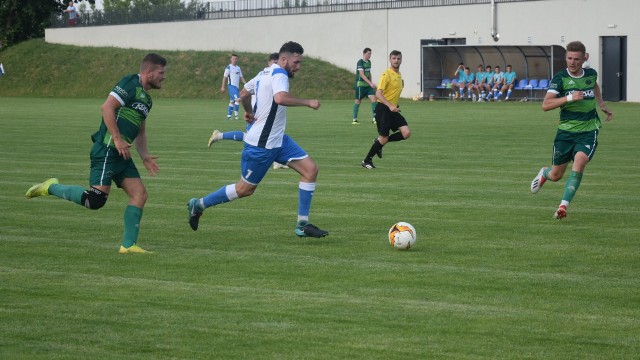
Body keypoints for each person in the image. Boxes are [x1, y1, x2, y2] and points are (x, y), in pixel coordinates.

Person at [25, 53, 167, 254]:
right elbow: (107, 107)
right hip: (108, 149)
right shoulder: (130, 82)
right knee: (95, 200)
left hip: (122, 153)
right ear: (149, 71)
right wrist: (117, 138)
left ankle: (128, 246)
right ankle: (51, 187)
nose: (164, 77)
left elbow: (140, 131)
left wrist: (144, 155)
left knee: (140, 194)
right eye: (161, 72)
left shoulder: (147, 100)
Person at [188, 41, 328, 238]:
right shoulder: (279, 73)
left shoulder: (265, 72)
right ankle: (199, 204)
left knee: (310, 170)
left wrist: (249, 112)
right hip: (262, 144)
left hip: (278, 139)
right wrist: (308, 102)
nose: (298, 67)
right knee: (244, 189)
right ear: (284, 59)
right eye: (296, 62)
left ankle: (302, 224)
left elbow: (244, 94)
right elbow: (280, 98)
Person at [530, 41, 613, 219]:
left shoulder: (591, 74)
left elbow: (594, 85)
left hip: (589, 130)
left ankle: (563, 207)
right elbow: (546, 105)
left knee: (580, 162)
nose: (572, 62)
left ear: (585, 58)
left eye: (576, 59)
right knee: (556, 174)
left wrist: (601, 103)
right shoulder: (560, 78)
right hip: (566, 133)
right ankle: (545, 173)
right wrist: (569, 97)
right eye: (569, 58)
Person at [208, 53, 289, 169]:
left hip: (259, 110)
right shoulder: (268, 74)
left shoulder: (264, 73)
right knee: (255, 137)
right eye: (274, 62)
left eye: (277, 63)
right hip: (258, 111)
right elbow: (245, 93)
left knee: (264, 135)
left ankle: (219, 135)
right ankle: (221, 133)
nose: (276, 65)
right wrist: (250, 111)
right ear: (269, 63)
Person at [361, 50, 411, 169]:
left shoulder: (399, 75)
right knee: (383, 138)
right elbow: (378, 94)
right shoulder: (386, 74)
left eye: (398, 58)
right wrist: (390, 106)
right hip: (383, 109)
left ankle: (378, 142)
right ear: (390, 60)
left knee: (406, 133)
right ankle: (366, 161)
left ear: (401, 60)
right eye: (394, 58)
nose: (396, 61)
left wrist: (394, 105)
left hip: (393, 110)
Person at [352, 47, 377, 125]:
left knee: (374, 99)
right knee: (358, 101)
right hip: (360, 85)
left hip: (367, 85)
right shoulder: (360, 62)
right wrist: (370, 83)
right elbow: (362, 75)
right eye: (368, 53)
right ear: (364, 54)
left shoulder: (369, 62)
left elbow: (369, 73)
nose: (370, 55)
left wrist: (371, 82)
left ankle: (374, 119)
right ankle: (354, 120)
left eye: (370, 54)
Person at [220, 53, 247, 120]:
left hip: (236, 87)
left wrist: (246, 84)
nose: (234, 60)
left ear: (237, 60)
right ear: (231, 59)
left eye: (236, 59)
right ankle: (236, 116)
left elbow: (241, 77)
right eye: (233, 59)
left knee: (232, 101)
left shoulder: (238, 68)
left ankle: (229, 116)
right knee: (238, 99)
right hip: (231, 86)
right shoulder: (228, 67)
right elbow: (225, 77)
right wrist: (223, 87)